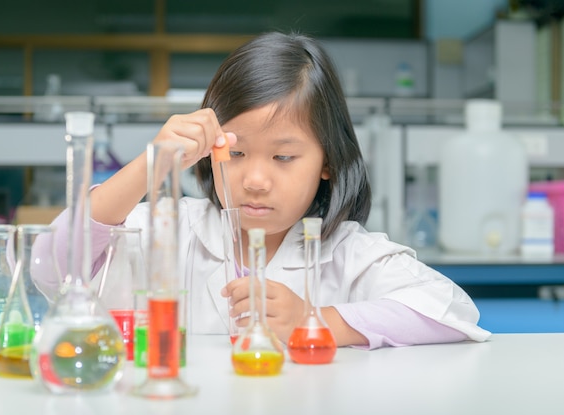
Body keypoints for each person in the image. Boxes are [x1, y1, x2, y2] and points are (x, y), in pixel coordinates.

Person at [35, 31, 491, 349]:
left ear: (328, 161)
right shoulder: (166, 229)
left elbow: (450, 310)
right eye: (235, 153)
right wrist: (148, 166)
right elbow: (50, 269)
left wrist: (317, 321)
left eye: (284, 157)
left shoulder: (347, 253)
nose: (255, 179)